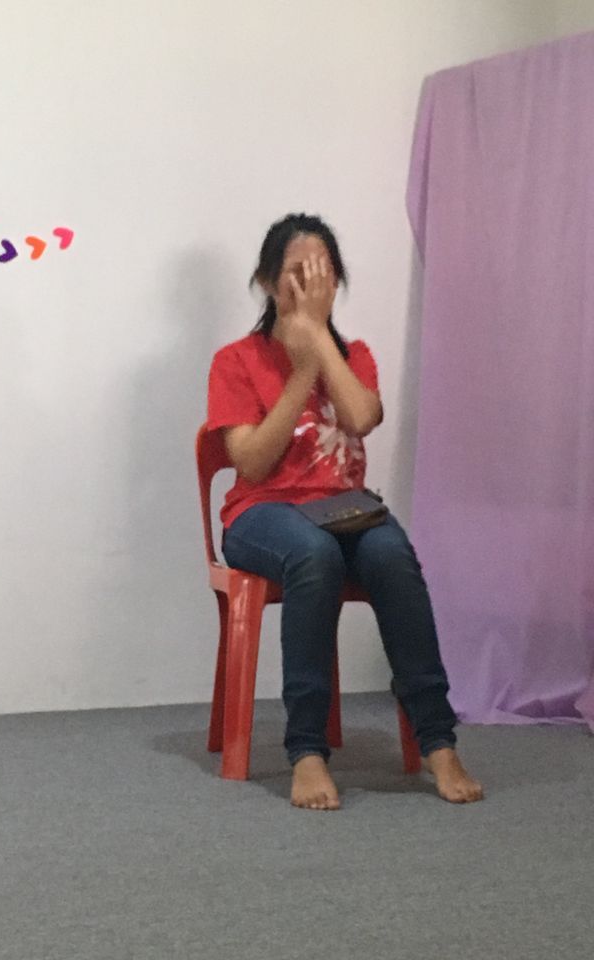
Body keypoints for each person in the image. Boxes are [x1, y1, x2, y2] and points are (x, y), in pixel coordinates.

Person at [206, 213, 484, 811]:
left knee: (393, 554)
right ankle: (306, 750)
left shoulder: (354, 356)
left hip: (343, 511)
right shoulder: (236, 360)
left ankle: (438, 742)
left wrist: (317, 344)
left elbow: (360, 417)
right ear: (266, 282)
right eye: (297, 274)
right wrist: (301, 369)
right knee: (313, 555)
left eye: (323, 273)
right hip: (261, 514)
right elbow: (251, 462)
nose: (311, 285)